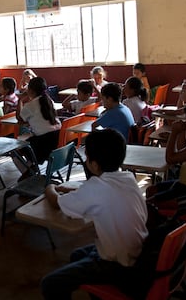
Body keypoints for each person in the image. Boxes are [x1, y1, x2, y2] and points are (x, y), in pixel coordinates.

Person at [41, 128, 148, 300]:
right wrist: (77, 191)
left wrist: (50, 187)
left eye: (87, 157)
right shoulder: (128, 178)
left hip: (119, 266)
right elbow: (99, 193)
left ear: (94, 164)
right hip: (138, 252)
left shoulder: (96, 188)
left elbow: (56, 203)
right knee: (77, 255)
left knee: (50, 284)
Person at [147, 100, 186, 209]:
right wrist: (180, 132)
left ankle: (168, 222)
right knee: (151, 190)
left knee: (150, 204)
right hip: (185, 184)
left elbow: (171, 159)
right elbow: (183, 150)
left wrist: (174, 134)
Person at [14, 77, 61, 181]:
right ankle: (31, 168)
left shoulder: (30, 105)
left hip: (44, 143)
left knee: (15, 150)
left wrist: (20, 100)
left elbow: (19, 118)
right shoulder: (49, 100)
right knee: (29, 142)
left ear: (30, 91)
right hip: (58, 139)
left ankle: (28, 172)